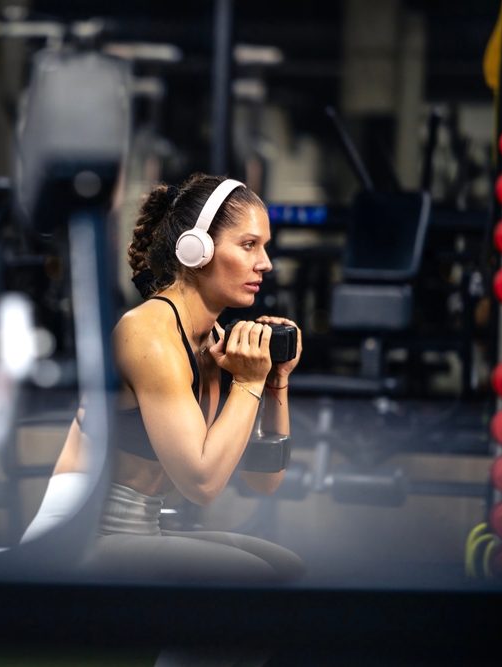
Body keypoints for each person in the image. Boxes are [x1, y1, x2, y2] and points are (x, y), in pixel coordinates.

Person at [21, 174, 305, 583]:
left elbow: (263, 481)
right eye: (248, 245)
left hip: (139, 532)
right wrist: (248, 382)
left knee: (290, 572)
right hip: (77, 534)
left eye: (264, 247)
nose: (265, 263)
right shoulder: (148, 334)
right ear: (197, 250)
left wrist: (276, 379)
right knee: (253, 580)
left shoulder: (216, 342)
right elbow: (201, 484)